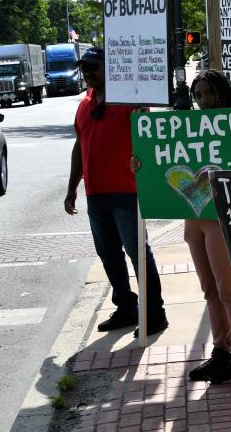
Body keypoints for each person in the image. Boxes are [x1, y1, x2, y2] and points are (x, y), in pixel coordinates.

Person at [131, 70, 231, 383]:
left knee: (229, 290)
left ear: (221, 93)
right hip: (194, 216)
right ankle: (221, 350)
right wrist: (140, 162)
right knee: (210, 290)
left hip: (222, 218)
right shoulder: (184, 128)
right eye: (198, 95)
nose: (203, 100)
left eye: (208, 93)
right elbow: (157, 156)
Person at [65, 47, 168, 337]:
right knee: (108, 254)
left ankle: (154, 313)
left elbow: (148, 137)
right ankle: (126, 307)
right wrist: (72, 188)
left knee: (138, 253)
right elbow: (79, 145)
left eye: (93, 67)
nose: (87, 72)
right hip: (96, 195)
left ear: (108, 68)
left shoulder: (130, 100)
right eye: (84, 68)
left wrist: (141, 116)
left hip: (127, 192)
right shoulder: (84, 104)